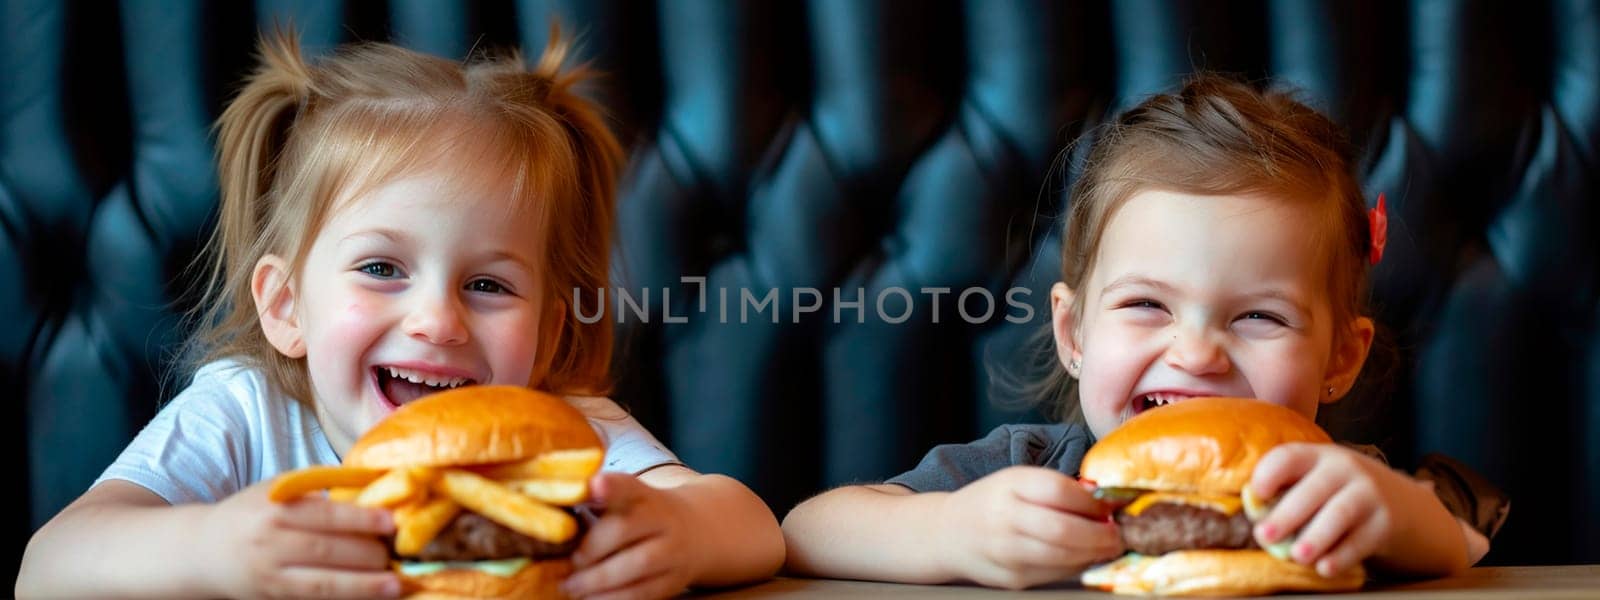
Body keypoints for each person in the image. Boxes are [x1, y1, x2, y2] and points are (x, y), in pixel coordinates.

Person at [17, 29, 783, 600]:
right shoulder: (245, 414)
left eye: (489, 285)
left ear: (549, 331)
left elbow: (756, 529)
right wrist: (211, 548)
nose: (437, 322)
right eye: (382, 269)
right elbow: (49, 565)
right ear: (287, 306)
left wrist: (678, 532)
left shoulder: (561, 434)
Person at [781, 74, 1503, 590]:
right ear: (1074, 332)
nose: (1195, 354)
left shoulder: (1336, 488)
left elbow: (1460, 541)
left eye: (1258, 315)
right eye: (1147, 307)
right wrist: (950, 533)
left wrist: (1400, 517)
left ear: (1339, 358)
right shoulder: (1027, 474)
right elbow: (807, 531)